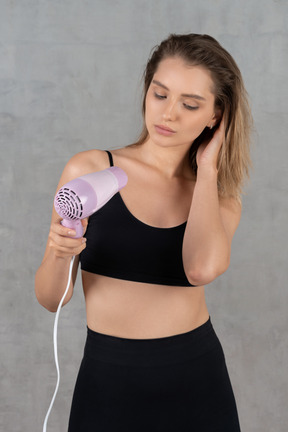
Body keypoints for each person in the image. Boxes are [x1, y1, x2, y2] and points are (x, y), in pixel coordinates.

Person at [35, 33, 252, 431]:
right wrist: (59, 252)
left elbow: (201, 269)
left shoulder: (220, 201)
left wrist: (207, 171)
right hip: (107, 380)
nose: (169, 114)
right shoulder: (89, 172)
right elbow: (52, 300)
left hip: (196, 380)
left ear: (215, 116)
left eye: (190, 104)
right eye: (160, 95)